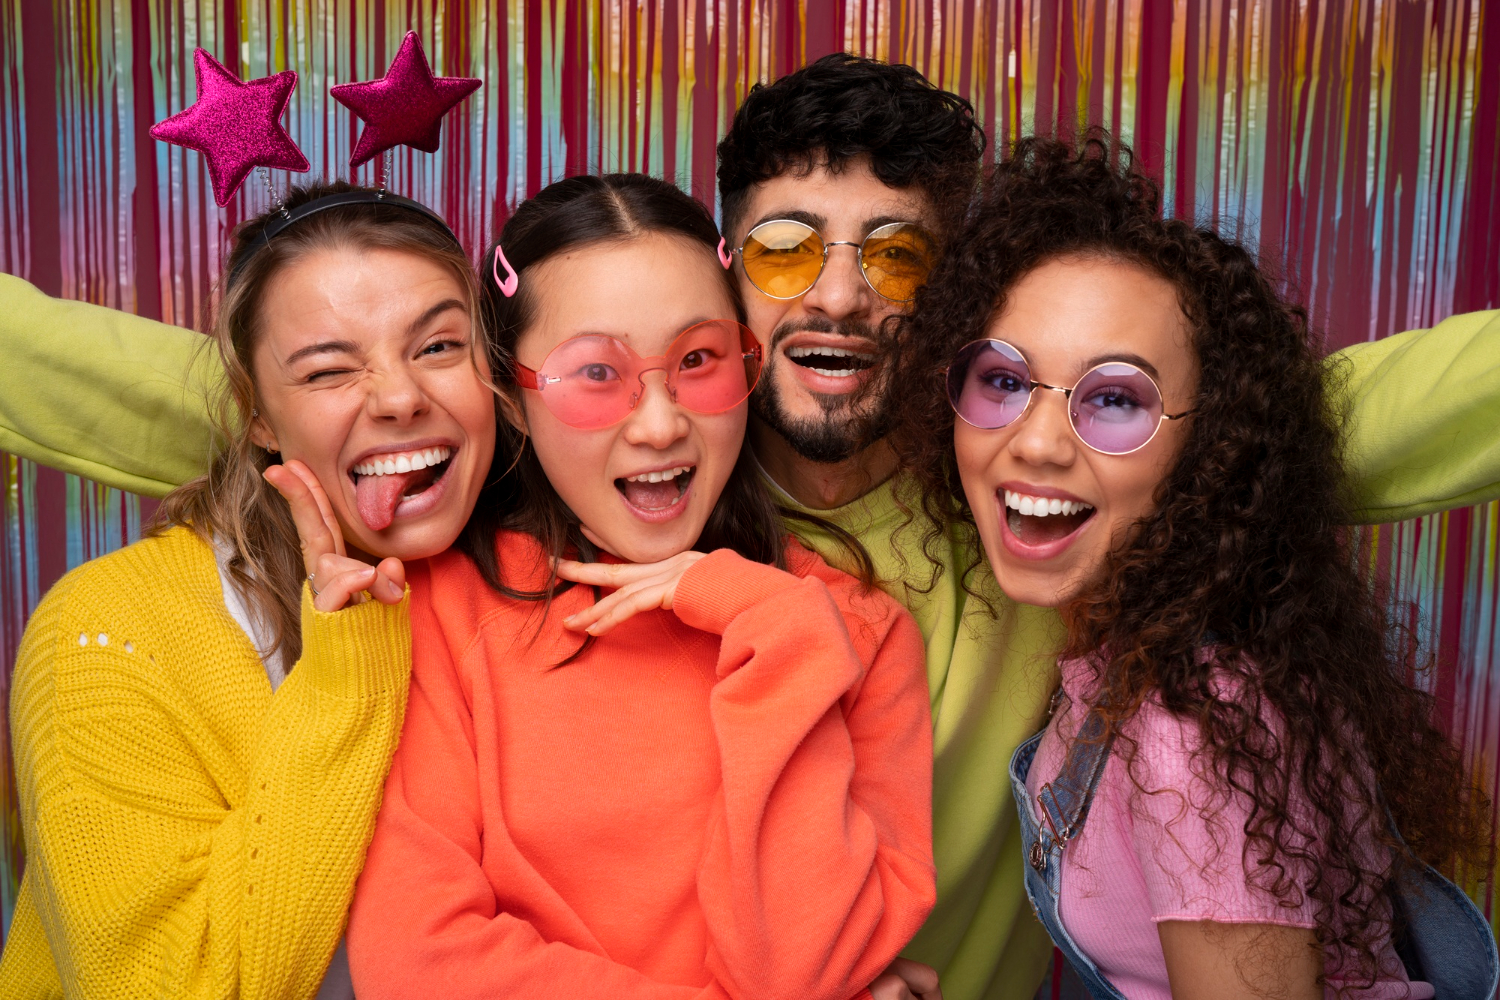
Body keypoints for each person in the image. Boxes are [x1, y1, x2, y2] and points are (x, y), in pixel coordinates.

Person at [3, 53, 1500, 1000]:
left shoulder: (1013, 479)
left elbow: (1273, 420)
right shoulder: (465, 555)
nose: (838, 292)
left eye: (896, 257)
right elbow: (293, 402)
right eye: (787, 250)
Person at [892, 132, 1498, 999]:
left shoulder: (1195, 735)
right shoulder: (1123, 655)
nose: (1036, 442)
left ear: (1208, 450)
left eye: (1113, 398)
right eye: (1005, 381)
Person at [339, 172, 936, 999]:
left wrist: (777, 632)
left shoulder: (850, 632)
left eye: (698, 360)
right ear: (511, 397)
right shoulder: (441, 607)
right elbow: (418, 965)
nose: (659, 425)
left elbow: (794, 969)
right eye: (596, 372)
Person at [0, 181, 500, 998]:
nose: (401, 398)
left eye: (440, 346)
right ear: (257, 414)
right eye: (328, 370)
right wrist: (346, 675)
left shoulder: (533, 592)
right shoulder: (104, 628)